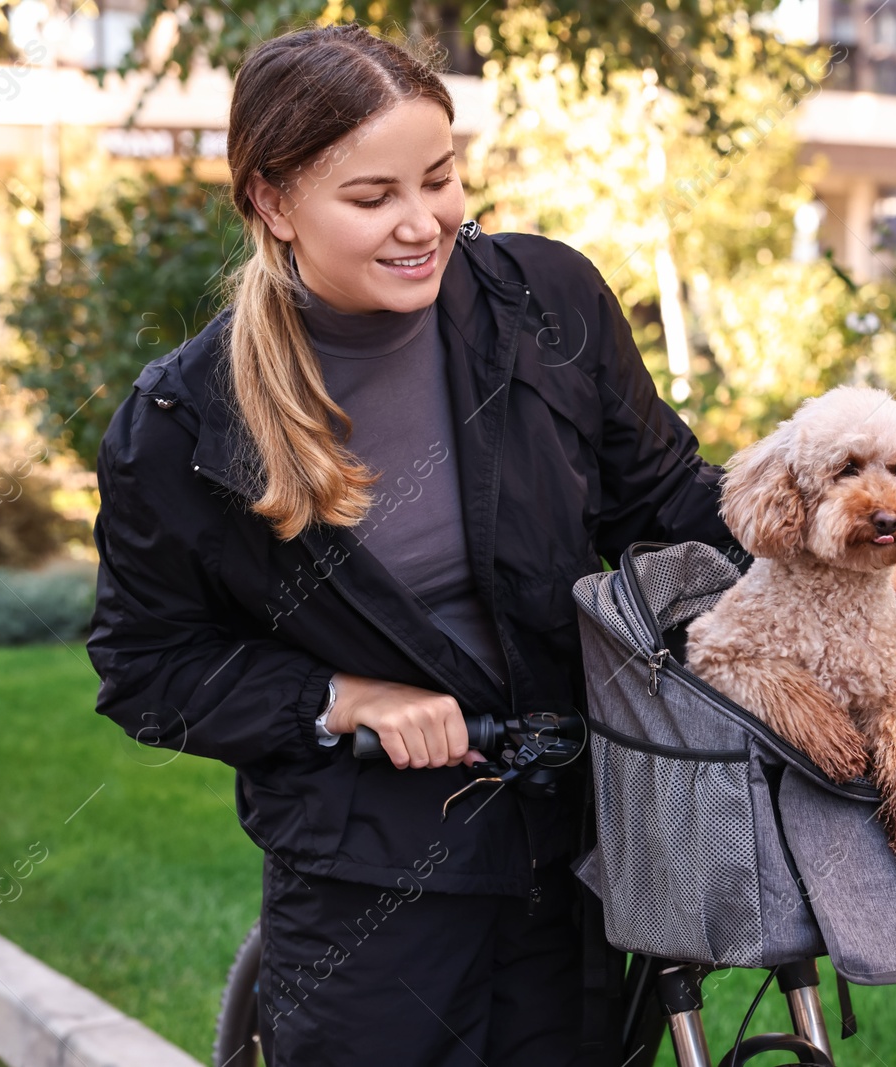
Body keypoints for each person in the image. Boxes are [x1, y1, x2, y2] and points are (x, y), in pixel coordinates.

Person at [85, 22, 737, 1067]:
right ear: (271, 201)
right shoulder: (181, 421)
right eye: (371, 196)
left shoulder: (544, 304)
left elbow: (665, 501)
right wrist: (341, 697)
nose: (422, 223)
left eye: (439, 178)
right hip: (363, 893)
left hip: (572, 857)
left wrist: (825, 541)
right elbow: (146, 668)